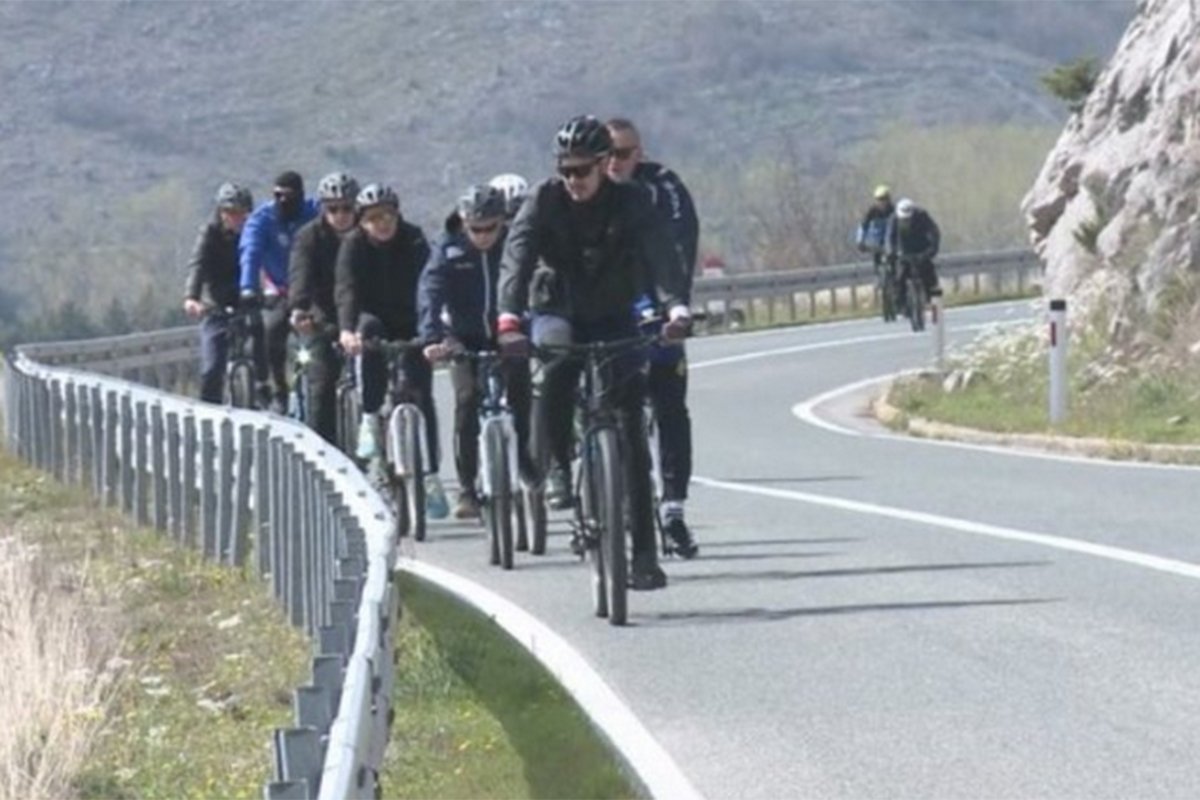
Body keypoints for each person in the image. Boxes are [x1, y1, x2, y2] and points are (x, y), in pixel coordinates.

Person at [496, 114, 690, 591]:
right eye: (566, 170)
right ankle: (558, 467)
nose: (573, 180)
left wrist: (676, 307)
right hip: (557, 308)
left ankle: (644, 556)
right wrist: (507, 315)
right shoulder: (543, 200)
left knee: (630, 434)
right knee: (558, 361)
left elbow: (662, 255)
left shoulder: (633, 201)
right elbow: (516, 257)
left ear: (606, 165)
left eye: (582, 170)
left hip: (613, 313)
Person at [604, 117, 700, 559]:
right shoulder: (583, 191)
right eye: (606, 154)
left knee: (669, 404)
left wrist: (673, 306)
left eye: (623, 153)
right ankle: (600, 490)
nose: (614, 163)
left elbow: (676, 247)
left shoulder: (663, 187)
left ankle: (674, 509)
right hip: (610, 309)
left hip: (659, 304)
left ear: (638, 153)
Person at [419, 184, 535, 520]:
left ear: (502, 222)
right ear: (463, 222)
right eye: (476, 229)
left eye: (490, 228)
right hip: (463, 337)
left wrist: (533, 326)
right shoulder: (448, 248)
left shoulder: (516, 245)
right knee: (467, 399)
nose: (483, 236)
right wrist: (432, 337)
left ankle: (524, 458)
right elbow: (430, 291)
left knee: (520, 390)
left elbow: (537, 282)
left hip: (508, 332)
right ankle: (468, 488)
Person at [334, 183, 449, 519]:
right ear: (361, 221)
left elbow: (431, 285)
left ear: (397, 215)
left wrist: (435, 332)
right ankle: (370, 418)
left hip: (411, 319)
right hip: (374, 320)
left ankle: (429, 475)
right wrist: (346, 330)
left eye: (387, 216)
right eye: (372, 218)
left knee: (421, 393)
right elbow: (346, 290)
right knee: (368, 332)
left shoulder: (414, 240)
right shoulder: (352, 245)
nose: (381, 223)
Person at [238, 170, 319, 412]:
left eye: (289, 197)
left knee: (322, 335)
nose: (283, 202)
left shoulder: (314, 212)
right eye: (277, 196)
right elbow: (250, 252)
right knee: (271, 332)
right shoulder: (262, 218)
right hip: (281, 289)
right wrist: (248, 288)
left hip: (314, 290)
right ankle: (279, 389)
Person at [288, 171, 359, 444]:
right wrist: (300, 308)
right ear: (322, 209)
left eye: (347, 208)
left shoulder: (367, 234)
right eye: (333, 209)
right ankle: (324, 448)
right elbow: (299, 275)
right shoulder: (309, 237)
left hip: (360, 316)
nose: (341, 215)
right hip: (322, 316)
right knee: (322, 383)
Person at [183, 182, 253, 404]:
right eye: (231, 212)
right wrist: (191, 298)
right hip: (216, 304)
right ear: (221, 212)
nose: (237, 218)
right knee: (212, 368)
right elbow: (198, 264)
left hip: (248, 299)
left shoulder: (255, 234)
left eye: (242, 213)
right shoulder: (210, 233)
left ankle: (265, 396)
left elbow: (266, 264)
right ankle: (209, 412)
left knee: (267, 347)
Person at [886, 197, 941, 306]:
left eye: (908, 219)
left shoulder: (922, 216)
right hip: (903, 250)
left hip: (921, 247)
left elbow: (934, 232)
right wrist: (891, 252)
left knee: (929, 272)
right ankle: (900, 299)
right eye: (904, 220)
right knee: (900, 274)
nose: (906, 222)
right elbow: (889, 238)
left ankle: (934, 296)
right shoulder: (893, 219)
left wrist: (932, 248)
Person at [857, 184, 895, 271]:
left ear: (888, 199)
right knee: (878, 264)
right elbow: (863, 226)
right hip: (877, 243)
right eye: (879, 199)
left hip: (891, 241)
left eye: (884, 199)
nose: (882, 202)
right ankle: (879, 278)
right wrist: (860, 241)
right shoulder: (872, 211)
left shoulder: (894, 210)